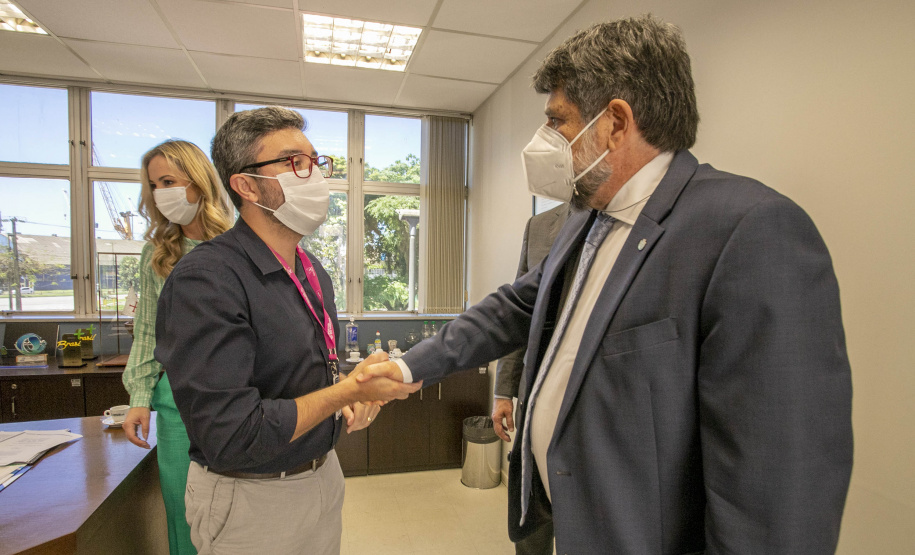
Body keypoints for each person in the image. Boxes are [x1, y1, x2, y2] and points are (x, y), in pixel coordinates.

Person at [362, 15, 853, 553]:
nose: (547, 141)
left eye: (560, 122)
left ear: (615, 122)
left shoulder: (751, 230)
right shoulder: (584, 216)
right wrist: (410, 364)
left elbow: (778, 491)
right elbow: (518, 306)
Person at [154, 106, 421, 555]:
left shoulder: (310, 269)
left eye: (315, 161)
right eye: (294, 161)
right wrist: (346, 392)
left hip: (321, 478)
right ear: (245, 184)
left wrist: (345, 396)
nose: (313, 174)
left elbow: (300, 378)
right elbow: (234, 433)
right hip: (250, 499)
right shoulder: (207, 279)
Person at [122, 139, 234, 555]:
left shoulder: (242, 244)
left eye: (169, 180)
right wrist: (139, 398)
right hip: (177, 407)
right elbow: (149, 332)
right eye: (154, 185)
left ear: (200, 181)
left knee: (234, 515)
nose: (159, 192)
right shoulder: (158, 255)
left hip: (236, 399)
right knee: (183, 512)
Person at [493, 202, 569, 554]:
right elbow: (520, 315)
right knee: (531, 525)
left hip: (588, 407)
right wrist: (504, 392)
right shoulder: (539, 227)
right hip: (534, 401)